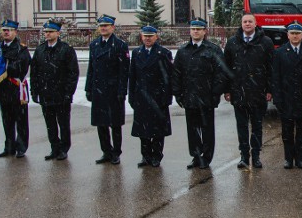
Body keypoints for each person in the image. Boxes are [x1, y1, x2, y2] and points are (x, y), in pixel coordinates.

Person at [174, 18, 230, 170]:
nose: (196, 31)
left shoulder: (212, 50)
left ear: (205, 31)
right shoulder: (183, 51)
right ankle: (196, 156)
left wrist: (216, 93)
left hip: (206, 96)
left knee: (207, 129)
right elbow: (177, 74)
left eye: (199, 29)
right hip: (189, 96)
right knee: (192, 129)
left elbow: (221, 73)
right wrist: (178, 93)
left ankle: (206, 157)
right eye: (193, 29)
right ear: (190, 31)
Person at [224, 13, 274, 169]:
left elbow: (271, 68)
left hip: (258, 92)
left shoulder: (266, 42)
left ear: (255, 23)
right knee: (242, 127)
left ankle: (257, 156)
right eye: (244, 21)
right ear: (241, 24)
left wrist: (269, 89)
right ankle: (244, 156)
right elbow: (226, 68)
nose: (247, 24)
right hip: (238, 92)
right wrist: (227, 90)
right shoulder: (232, 42)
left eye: (250, 21)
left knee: (257, 126)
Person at [30, 19, 79, 161]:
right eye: (45, 32)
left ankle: (64, 149)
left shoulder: (66, 49)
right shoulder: (40, 50)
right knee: (50, 124)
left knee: (63, 123)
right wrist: (35, 91)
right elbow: (34, 73)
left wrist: (68, 92)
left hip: (61, 94)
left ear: (58, 33)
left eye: (50, 32)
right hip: (46, 94)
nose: (47, 34)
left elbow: (72, 73)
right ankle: (54, 148)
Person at [85, 14, 130, 165]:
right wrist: (88, 88)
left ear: (112, 27)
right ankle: (106, 151)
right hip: (98, 89)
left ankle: (116, 152)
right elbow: (91, 68)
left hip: (113, 90)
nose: (103, 28)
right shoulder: (95, 45)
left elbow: (124, 71)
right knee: (101, 124)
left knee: (115, 124)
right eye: (101, 26)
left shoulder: (120, 45)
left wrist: (122, 90)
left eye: (106, 26)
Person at [130, 25, 173, 168]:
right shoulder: (136, 53)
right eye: (145, 36)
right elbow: (133, 76)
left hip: (157, 97)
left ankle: (156, 155)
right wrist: (131, 96)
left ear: (156, 37)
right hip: (141, 97)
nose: (147, 39)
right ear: (141, 37)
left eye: (150, 36)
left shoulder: (163, 53)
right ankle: (145, 155)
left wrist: (166, 97)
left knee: (157, 129)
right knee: (143, 129)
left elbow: (168, 77)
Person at [271, 21, 302, 170]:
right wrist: (277, 98)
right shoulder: (280, 52)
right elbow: (276, 77)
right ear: (287, 35)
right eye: (292, 33)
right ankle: (288, 159)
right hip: (286, 98)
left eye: (298, 33)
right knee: (287, 132)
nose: (295, 36)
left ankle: (299, 159)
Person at [0, 19, 31, 158]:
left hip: (16, 90)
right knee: (7, 121)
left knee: (20, 121)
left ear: (15, 32)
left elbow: (19, 69)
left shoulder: (21, 49)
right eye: (4, 30)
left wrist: (4, 66)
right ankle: (9, 147)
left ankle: (21, 147)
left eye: (9, 30)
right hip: (2, 90)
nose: (6, 32)